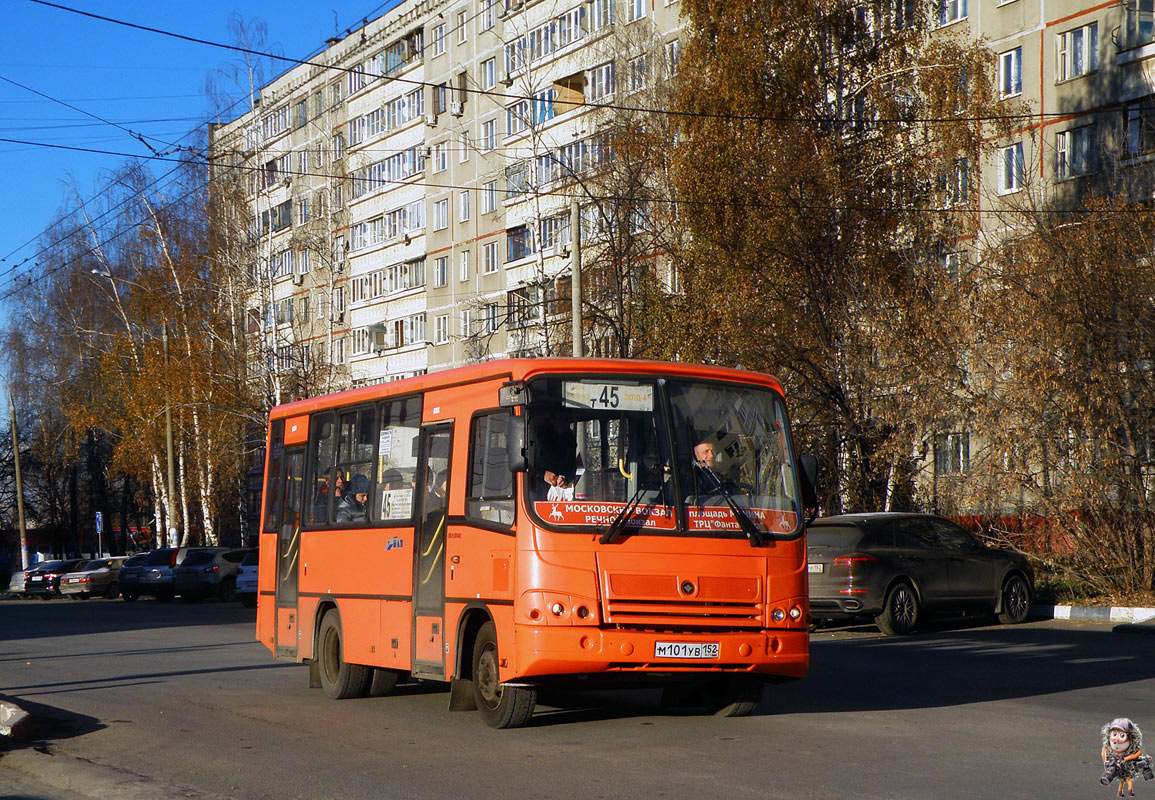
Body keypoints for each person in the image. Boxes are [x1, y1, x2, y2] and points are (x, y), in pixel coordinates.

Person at [533, 414, 577, 500]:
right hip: (535, 488)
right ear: (553, 420)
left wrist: (564, 478)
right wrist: (542, 474)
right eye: (561, 419)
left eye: (567, 420)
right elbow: (526, 463)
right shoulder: (540, 437)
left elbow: (571, 465)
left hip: (558, 488)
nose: (564, 423)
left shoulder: (570, 438)